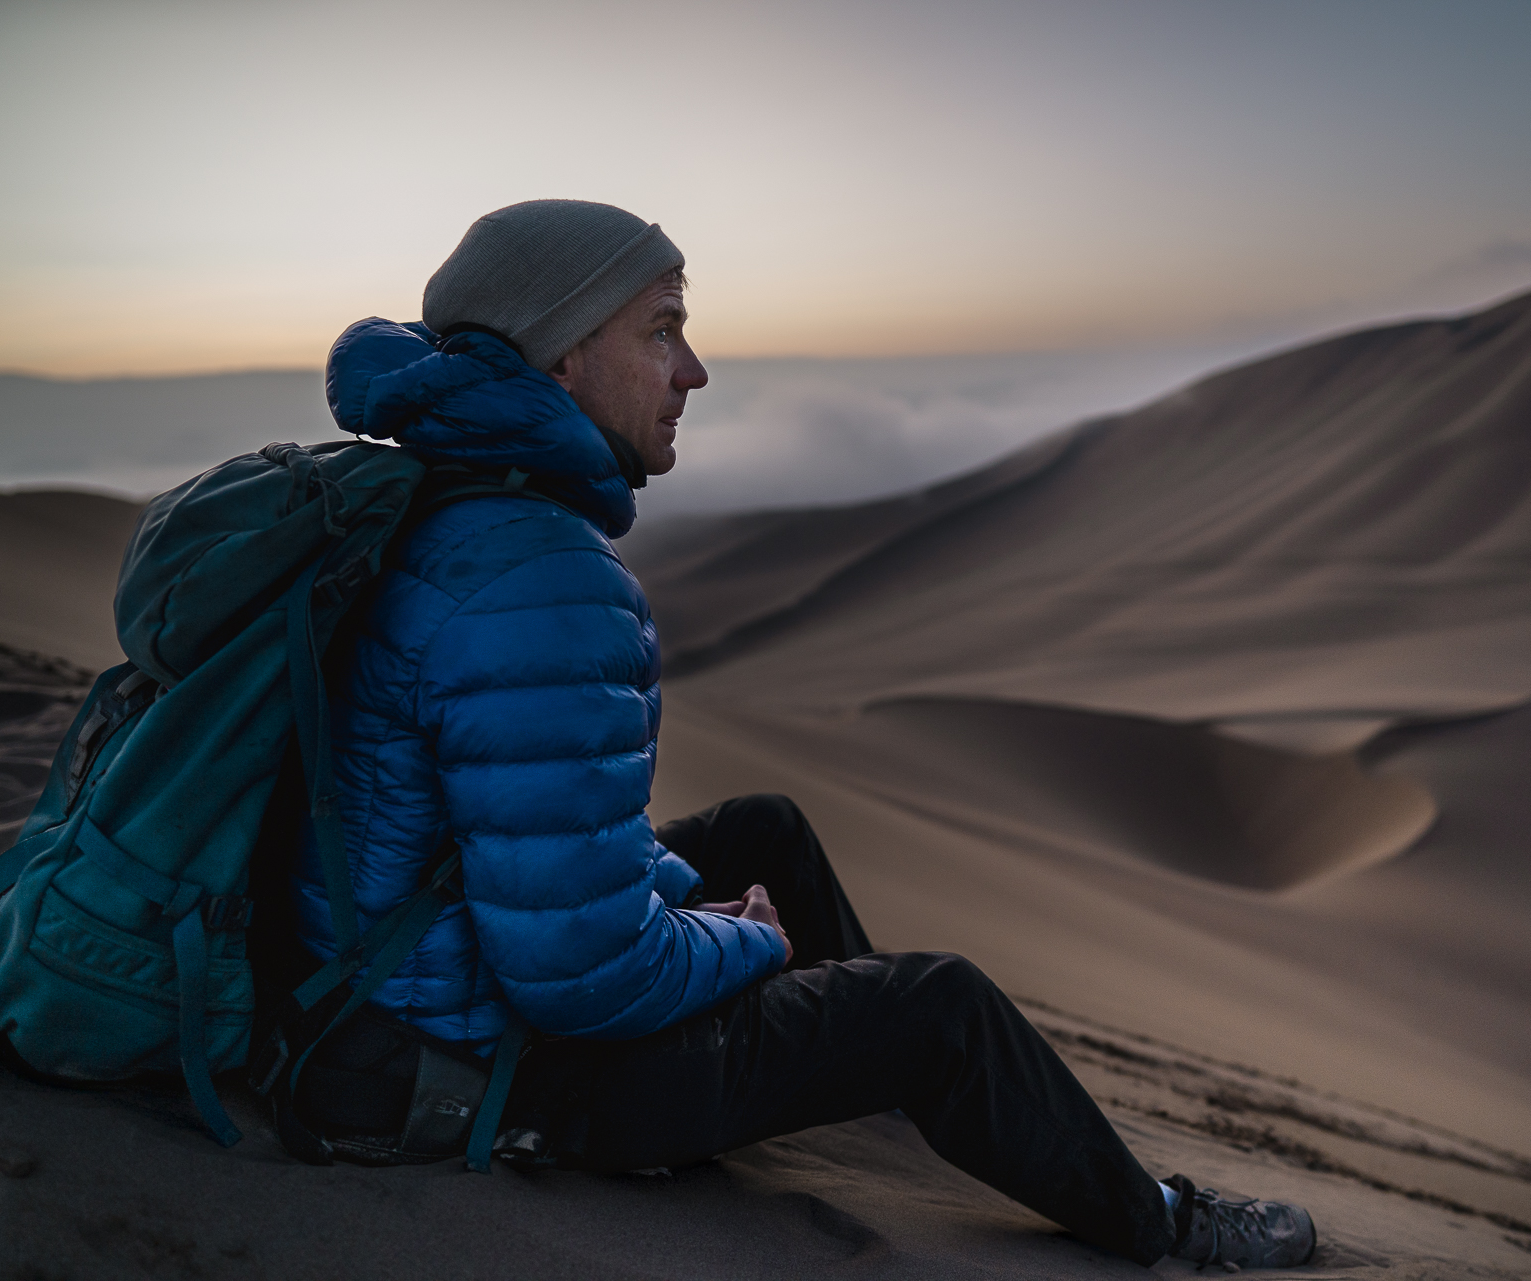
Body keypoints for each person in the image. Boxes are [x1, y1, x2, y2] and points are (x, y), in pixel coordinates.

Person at [293, 198, 1316, 1271]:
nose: (692, 372)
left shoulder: (445, 503)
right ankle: (1160, 1220)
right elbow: (577, 976)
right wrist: (748, 942)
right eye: (660, 332)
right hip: (482, 1076)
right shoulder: (544, 577)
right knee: (936, 1007)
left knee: (762, 831)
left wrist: (691, 906)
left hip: (406, 990)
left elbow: (520, 823)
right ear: (559, 358)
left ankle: (873, 1095)